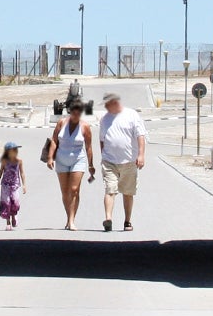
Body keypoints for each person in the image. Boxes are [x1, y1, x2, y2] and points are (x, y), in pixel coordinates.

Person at [97, 92, 148, 232]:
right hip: (109, 161)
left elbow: (140, 136)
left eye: (107, 104)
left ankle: (127, 221)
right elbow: (102, 139)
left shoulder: (131, 115)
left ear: (115, 103)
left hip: (129, 161)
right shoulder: (105, 119)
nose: (106, 107)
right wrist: (103, 155)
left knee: (128, 192)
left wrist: (141, 155)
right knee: (110, 189)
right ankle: (108, 219)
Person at [46, 101, 96, 230]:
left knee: (74, 189)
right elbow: (54, 141)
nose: (76, 115)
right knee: (65, 191)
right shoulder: (62, 123)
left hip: (78, 160)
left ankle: (72, 220)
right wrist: (50, 157)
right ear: (70, 112)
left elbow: (89, 147)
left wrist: (91, 165)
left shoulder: (85, 127)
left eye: (79, 113)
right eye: (74, 112)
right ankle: (68, 217)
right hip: (61, 159)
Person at [0, 141, 26, 229]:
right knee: (6, 203)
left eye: (16, 150)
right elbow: (1, 172)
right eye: (14, 150)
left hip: (15, 185)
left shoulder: (19, 161)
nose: (16, 151)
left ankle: (14, 216)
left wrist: (24, 185)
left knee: (15, 203)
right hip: (5, 185)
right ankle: (8, 223)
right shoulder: (4, 161)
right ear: (8, 152)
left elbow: (22, 173)